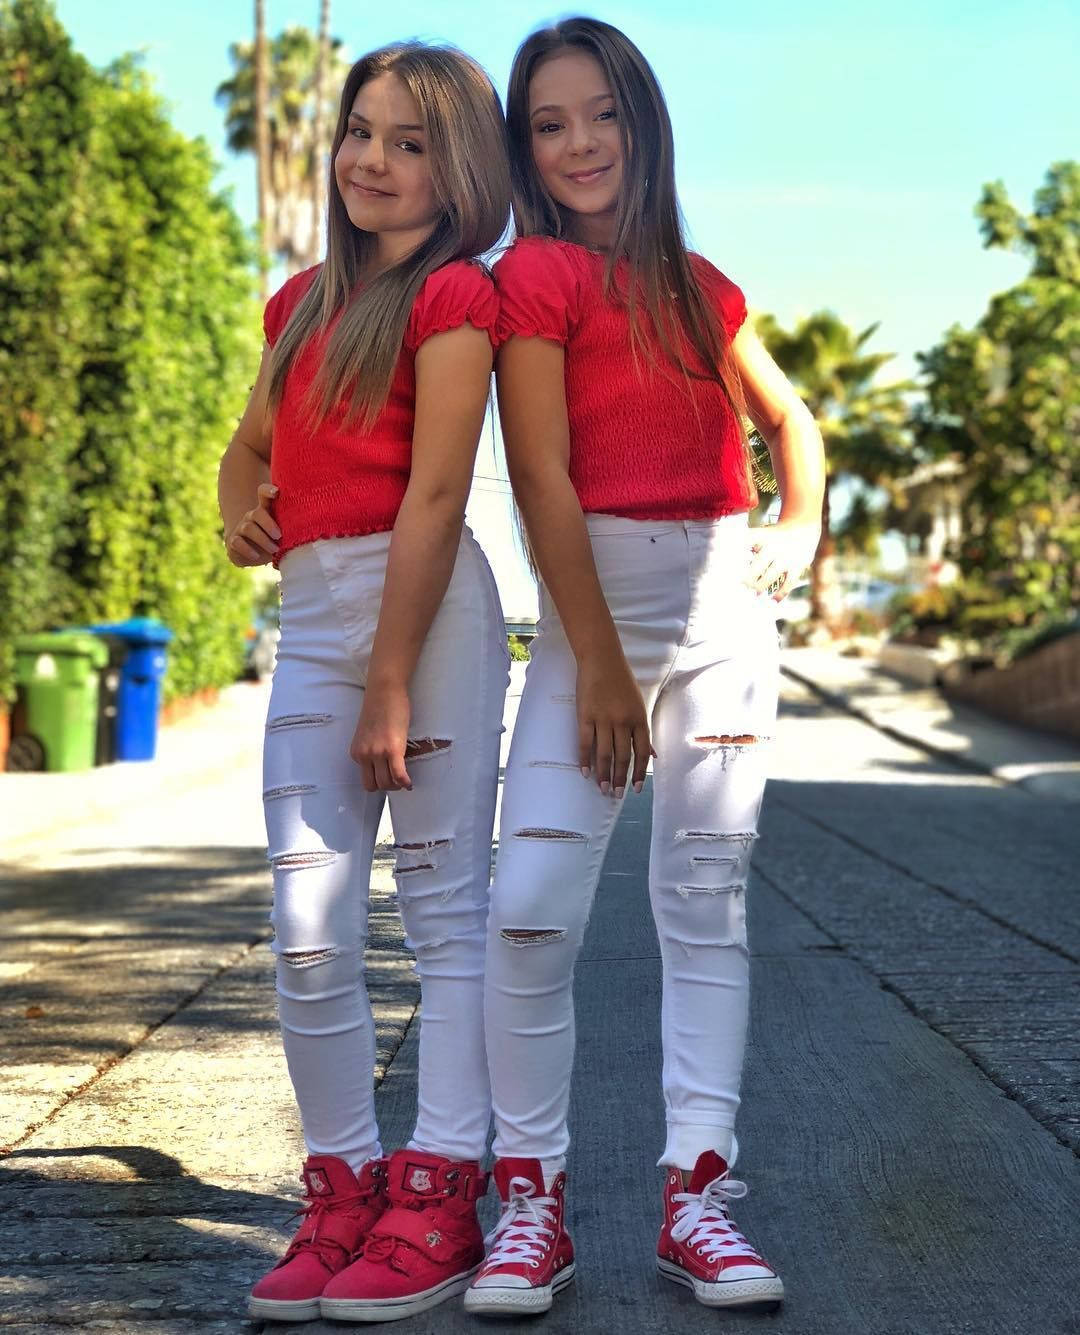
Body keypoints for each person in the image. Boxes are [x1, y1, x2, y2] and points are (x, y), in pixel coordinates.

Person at [464, 17, 825, 1317]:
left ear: (642, 118)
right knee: (532, 904)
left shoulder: (700, 280)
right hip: (592, 625)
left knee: (706, 900)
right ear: (523, 147)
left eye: (600, 113)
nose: (578, 145)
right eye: (548, 124)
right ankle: (530, 1207)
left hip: (726, 619)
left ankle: (698, 1199)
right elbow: (546, 480)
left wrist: (794, 531)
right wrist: (604, 664)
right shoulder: (533, 284)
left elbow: (790, 419)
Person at [217, 42, 511, 1324]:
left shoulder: (455, 299)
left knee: (446, 921)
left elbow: (437, 496)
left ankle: (442, 1191)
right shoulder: (295, 302)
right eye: (359, 132)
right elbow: (246, 443)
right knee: (306, 925)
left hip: (427, 612)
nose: (371, 161)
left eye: (407, 141)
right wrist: (238, 499)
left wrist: (390, 679)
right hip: (315, 615)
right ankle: (340, 1188)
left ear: (458, 171)